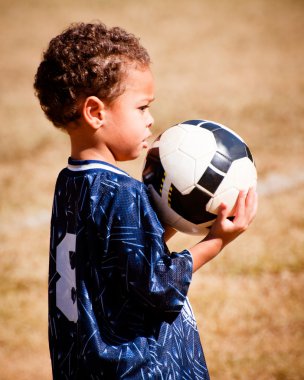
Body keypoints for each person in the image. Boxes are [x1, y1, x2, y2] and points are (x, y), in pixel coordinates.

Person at [34, 22, 258, 380]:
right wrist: (217, 240)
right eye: (141, 108)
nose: (151, 120)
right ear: (95, 112)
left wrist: (165, 222)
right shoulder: (121, 192)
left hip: (87, 366)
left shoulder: (72, 181)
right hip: (138, 368)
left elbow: (118, 264)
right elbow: (156, 285)